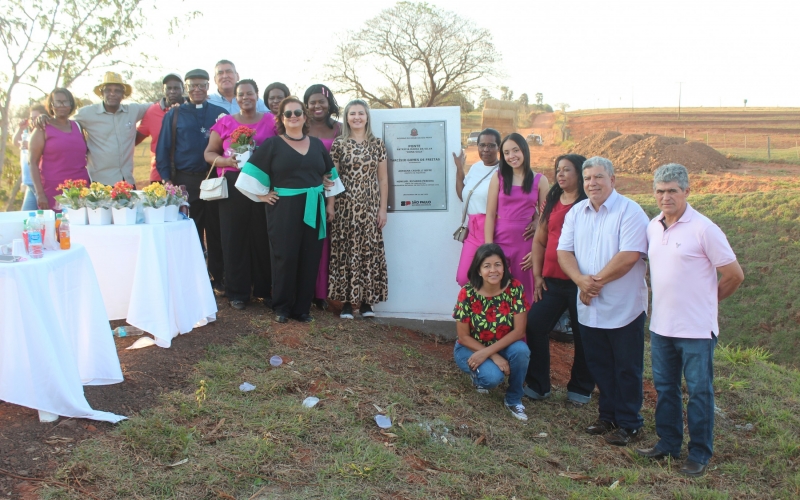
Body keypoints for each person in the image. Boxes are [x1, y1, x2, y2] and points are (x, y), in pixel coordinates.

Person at [637, 164, 744, 477]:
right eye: (660, 191)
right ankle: (668, 443)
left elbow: (734, 275)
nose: (665, 196)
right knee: (666, 388)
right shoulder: (653, 226)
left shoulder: (704, 229)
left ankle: (699, 453)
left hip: (696, 329)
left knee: (699, 391)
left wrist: (708, 302)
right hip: (661, 327)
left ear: (686, 191)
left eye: (672, 190)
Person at [557, 156, 649, 446]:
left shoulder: (630, 212)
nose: (592, 183)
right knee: (600, 364)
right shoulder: (576, 213)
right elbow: (564, 252)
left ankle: (630, 423)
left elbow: (629, 256)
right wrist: (580, 281)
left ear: (613, 180)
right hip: (590, 305)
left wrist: (593, 283)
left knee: (626, 367)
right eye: (587, 178)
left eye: (598, 177)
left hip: (624, 307)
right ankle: (607, 415)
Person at [235, 97, 337, 323]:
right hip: (284, 209)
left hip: (314, 205)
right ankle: (282, 307)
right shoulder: (273, 145)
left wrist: (326, 194)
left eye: (297, 112)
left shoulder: (317, 144)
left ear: (304, 116)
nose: (293, 116)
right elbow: (247, 176)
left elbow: (331, 175)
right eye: (288, 113)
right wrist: (261, 195)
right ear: (281, 118)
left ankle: (302, 309)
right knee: (285, 256)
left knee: (309, 257)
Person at [524, 154, 595, 406]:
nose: (561, 174)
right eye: (558, 170)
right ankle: (538, 384)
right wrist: (537, 275)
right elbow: (540, 238)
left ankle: (580, 388)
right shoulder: (553, 199)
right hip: (552, 281)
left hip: (579, 282)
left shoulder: (590, 203)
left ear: (579, 173)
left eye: (567, 170)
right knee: (534, 324)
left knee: (583, 334)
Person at [204, 79, 276, 310]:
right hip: (232, 182)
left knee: (261, 236)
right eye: (241, 94)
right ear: (235, 98)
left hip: (261, 182)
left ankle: (264, 290)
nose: (246, 97)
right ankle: (238, 292)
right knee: (233, 236)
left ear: (257, 96)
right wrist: (226, 160)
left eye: (250, 93)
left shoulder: (271, 121)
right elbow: (209, 152)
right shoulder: (225, 122)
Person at [156, 69, 227, 291]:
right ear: (186, 88)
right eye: (192, 85)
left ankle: (219, 277)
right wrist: (167, 178)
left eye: (201, 85)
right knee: (189, 231)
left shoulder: (220, 113)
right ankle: (192, 279)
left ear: (208, 87)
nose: (197, 89)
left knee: (216, 230)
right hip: (185, 181)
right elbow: (163, 148)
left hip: (214, 178)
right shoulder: (174, 115)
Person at [452, 243, 531, 421]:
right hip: (470, 348)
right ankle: (478, 377)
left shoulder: (514, 288)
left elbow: (519, 331)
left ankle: (514, 399)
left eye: (498, 264)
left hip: (504, 345)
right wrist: (493, 356)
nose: (493, 270)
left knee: (521, 351)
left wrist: (489, 353)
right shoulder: (467, 293)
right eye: (487, 266)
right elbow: (463, 337)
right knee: (492, 379)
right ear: (479, 270)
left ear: (504, 267)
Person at [328, 99, 388, 319]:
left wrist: (382, 209)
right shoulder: (339, 144)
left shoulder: (377, 144)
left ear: (367, 117)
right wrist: (331, 205)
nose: (356, 117)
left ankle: (366, 303)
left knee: (368, 252)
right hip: (345, 206)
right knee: (345, 252)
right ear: (346, 117)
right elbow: (332, 178)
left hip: (371, 206)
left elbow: (383, 179)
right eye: (352, 113)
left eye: (360, 113)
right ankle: (345, 303)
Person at [484, 133, 549, 297]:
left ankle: (525, 323)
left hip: (526, 245)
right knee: (498, 290)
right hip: (499, 241)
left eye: (515, 150)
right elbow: (490, 214)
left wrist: (537, 250)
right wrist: (489, 248)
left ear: (524, 151)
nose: (511, 156)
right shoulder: (498, 177)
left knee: (524, 291)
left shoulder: (540, 180)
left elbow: (546, 218)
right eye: (506, 153)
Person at [61, 72, 149, 185]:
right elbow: (62, 122)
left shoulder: (133, 111)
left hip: (127, 182)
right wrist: (45, 119)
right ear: (102, 93)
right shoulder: (87, 113)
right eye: (108, 90)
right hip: (101, 184)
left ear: (123, 94)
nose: (112, 94)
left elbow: (157, 106)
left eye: (117, 90)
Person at [304, 84, 342, 310]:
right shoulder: (301, 127)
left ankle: (322, 293)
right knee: (310, 242)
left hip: (335, 191)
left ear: (329, 104)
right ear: (306, 105)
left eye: (321, 101)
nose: (317, 106)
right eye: (312, 102)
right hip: (308, 191)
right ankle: (306, 290)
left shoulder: (339, 129)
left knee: (328, 244)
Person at [27, 88, 90, 210]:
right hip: (53, 190)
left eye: (65, 102)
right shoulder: (42, 127)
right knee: (57, 226)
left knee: (80, 226)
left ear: (71, 104)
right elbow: (32, 163)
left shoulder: (78, 126)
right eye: (58, 102)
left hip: (80, 189)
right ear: (51, 105)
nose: (62, 106)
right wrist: (40, 194)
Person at [136, 73, 186, 183]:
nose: (172, 91)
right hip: (158, 175)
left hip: (185, 173)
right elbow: (135, 138)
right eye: (169, 88)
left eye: (176, 88)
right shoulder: (152, 111)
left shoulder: (190, 109)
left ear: (183, 89)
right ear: (163, 90)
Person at [13, 104, 47, 210]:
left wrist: (31, 146)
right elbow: (15, 142)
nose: (33, 121)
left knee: (43, 215)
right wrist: (20, 129)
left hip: (40, 184)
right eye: (31, 118)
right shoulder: (28, 133)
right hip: (29, 184)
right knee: (26, 217)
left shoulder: (44, 133)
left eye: (36, 118)